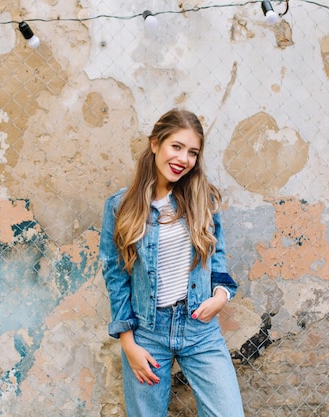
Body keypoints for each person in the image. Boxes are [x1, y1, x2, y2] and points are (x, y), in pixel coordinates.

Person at [99, 108, 245, 416]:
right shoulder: (119, 207)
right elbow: (116, 276)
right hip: (147, 333)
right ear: (155, 144)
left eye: (192, 152)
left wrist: (221, 296)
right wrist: (129, 344)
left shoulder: (203, 199)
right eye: (176, 147)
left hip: (199, 329)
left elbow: (216, 255)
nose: (183, 158)